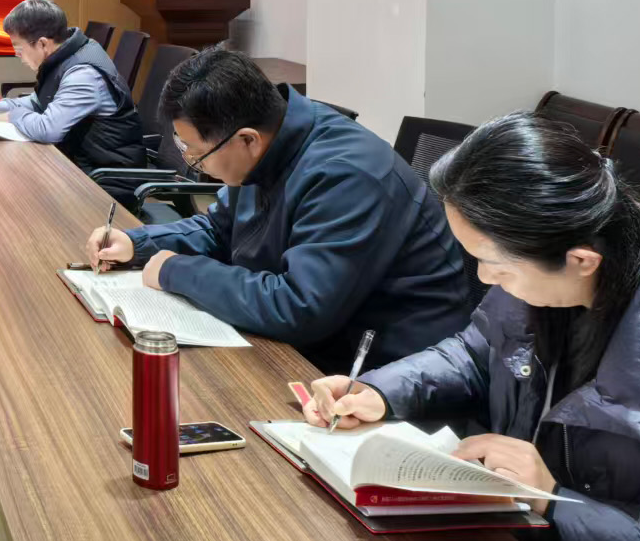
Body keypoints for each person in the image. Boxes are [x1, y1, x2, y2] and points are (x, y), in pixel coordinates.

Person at [307, 114, 640, 541]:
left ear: (581, 261)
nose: (484, 279)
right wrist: (380, 391)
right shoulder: (547, 271)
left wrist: (557, 501)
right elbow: (476, 351)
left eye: (496, 266)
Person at [85, 47, 468, 369]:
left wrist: (176, 271)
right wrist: (139, 244)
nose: (192, 163)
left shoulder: (346, 175)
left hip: (381, 371)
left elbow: (300, 308)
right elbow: (220, 230)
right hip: (317, 347)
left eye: (196, 155)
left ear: (247, 140)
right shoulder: (271, 142)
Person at [0, 0, 147, 206]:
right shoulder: (65, 56)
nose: (17, 55)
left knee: (9, 195)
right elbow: (39, 101)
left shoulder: (83, 74)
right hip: (80, 167)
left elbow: (48, 129)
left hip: (108, 185)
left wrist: (9, 116)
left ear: (43, 43)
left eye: (19, 48)